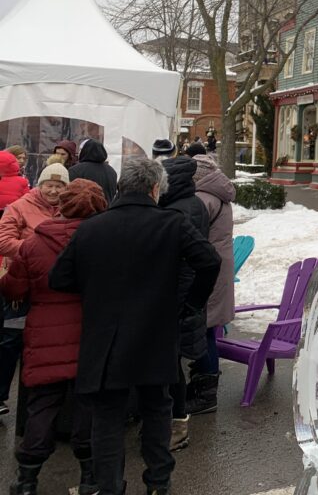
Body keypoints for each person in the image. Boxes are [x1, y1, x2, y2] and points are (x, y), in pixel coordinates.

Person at [49, 157, 220, 495]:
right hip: (155, 333)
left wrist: (95, 290)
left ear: (121, 187)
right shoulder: (172, 224)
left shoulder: (92, 228)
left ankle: (110, 486)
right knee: (157, 409)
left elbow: (60, 278)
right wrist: (190, 304)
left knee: (108, 418)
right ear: (155, 189)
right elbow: (209, 261)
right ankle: (158, 482)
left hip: (105, 337)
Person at [1, 179, 107, 495]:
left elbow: (14, 288)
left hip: (44, 334)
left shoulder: (34, 244)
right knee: (87, 406)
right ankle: (89, 478)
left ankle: (27, 480)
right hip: (91, 334)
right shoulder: (103, 242)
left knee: (42, 406)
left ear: (61, 205)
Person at [0, 164, 68, 417]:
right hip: (22, 286)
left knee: (45, 343)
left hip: (53, 288)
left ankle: (40, 401)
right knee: (11, 340)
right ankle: (0, 394)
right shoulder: (19, 207)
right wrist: (38, 253)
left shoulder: (68, 210)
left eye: (59, 185)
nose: (53, 190)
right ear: (40, 184)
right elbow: (3, 241)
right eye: (49, 184)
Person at [160, 155, 211, 450]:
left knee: (171, 366)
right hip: (184, 295)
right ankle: (172, 421)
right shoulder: (189, 204)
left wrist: (185, 302)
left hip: (178, 297)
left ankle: (177, 424)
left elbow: (189, 260)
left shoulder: (181, 210)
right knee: (171, 363)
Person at [185, 155, 234, 415]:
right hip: (217, 269)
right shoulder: (216, 195)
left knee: (202, 329)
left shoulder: (204, 199)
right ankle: (202, 384)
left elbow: (192, 235)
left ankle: (206, 394)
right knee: (207, 329)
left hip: (208, 272)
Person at [0, 150, 31, 214]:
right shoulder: (22, 181)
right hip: (13, 215)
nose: (22, 161)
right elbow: (27, 201)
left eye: (24, 158)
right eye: (19, 158)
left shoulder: (23, 178)